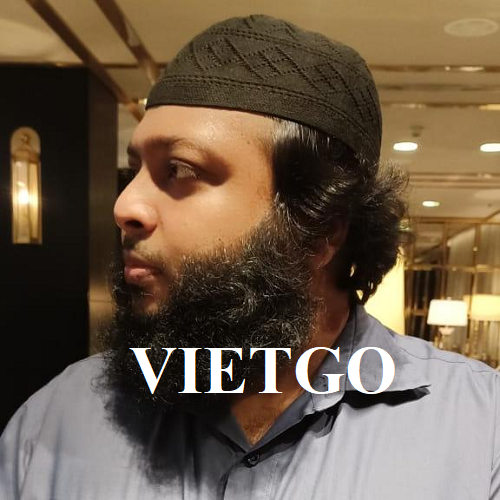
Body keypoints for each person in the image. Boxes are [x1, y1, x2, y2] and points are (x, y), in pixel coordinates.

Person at [1, 14, 499, 500]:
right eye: (136, 172)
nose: (124, 206)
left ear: (320, 229)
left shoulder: (479, 433)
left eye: (180, 169)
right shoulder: (55, 422)